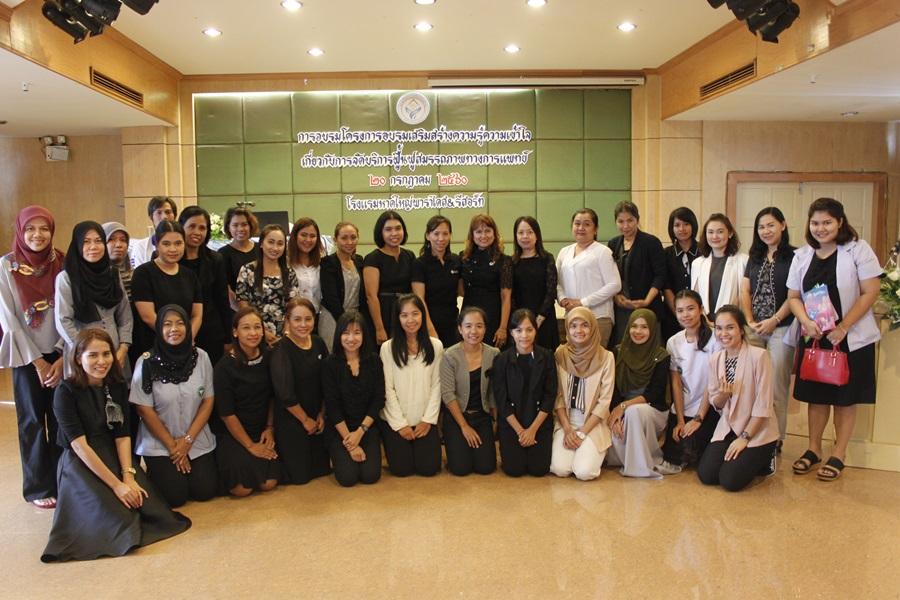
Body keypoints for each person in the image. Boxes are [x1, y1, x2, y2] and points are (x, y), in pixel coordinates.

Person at [41, 328, 190, 562]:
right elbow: (79, 446)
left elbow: (122, 435)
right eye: (93, 355)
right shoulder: (65, 391)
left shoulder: (117, 386)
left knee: (152, 510)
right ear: (78, 358)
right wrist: (116, 486)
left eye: (106, 354)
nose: (101, 361)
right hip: (81, 461)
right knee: (119, 520)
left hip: (112, 453)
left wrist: (128, 476)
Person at [787, 198, 882, 482]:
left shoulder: (858, 249)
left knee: (844, 398)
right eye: (815, 223)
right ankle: (814, 449)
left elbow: (870, 291)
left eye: (827, 222)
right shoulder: (803, 255)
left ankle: (839, 453)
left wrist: (844, 326)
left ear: (840, 222)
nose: (820, 228)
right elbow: (793, 297)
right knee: (816, 397)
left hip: (850, 338)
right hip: (816, 336)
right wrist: (806, 322)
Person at [0, 206, 65, 509]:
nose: (37, 235)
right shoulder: (6, 266)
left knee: (61, 419)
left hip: (60, 354)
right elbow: (8, 318)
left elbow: (70, 311)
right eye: (30, 229)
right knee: (32, 421)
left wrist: (62, 355)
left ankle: (64, 480)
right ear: (20, 231)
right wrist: (38, 361)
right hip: (26, 357)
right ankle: (39, 487)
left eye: (44, 229)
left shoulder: (62, 262)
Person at [129, 305, 217, 507]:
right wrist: (173, 447)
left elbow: (208, 400)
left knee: (205, 490)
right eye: (167, 324)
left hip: (194, 438)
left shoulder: (201, 357)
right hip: (159, 442)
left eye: (179, 323)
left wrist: (187, 441)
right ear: (159, 329)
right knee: (174, 497)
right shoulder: (146, 362)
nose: (174, 329)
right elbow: (144, 410)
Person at [697, 306, 780, 492]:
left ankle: (766, 456)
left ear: (741, 330)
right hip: (729, 427)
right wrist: (723, 395)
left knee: (730, 481)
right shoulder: (716, 359)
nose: (723, 333)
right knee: (707, 475)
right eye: (719, 328)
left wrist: (744, 438)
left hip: (757, 430)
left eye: (730, 327)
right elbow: (716, 403)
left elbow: (763, 405)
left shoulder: (759, 356)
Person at [740, 207, 796, 450]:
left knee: (776, 386)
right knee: (751, 384)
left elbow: (795, 294)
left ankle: (775, 439)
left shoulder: (795, 256)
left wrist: (774, 319)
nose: (766, 231)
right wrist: (749, 320)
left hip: (782, 328)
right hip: (753, 329)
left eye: (771, 225)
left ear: (783, 225)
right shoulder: (754, 257)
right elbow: (745, 290)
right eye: (761, 227)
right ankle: (750, 434)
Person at [213, 307, 280, 496]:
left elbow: (272, 397)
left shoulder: (269, 357)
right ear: (235, 332)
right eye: (246, 328)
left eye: (257, 327)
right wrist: (251, 446)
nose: (253, 333)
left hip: (262, 428)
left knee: (269, 483)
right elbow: (227, 414)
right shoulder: (224, 367)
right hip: (233, 432)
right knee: (242, 489)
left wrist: (269, 428)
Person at [55, 221, 132, 382]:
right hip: (82, 352)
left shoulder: (112, 273)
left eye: (98, 241)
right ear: (77, 245)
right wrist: (83, 351)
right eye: (86, 241)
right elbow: (63, 320)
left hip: (114, 349)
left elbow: (125, 316)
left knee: (115, 393)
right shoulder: (67, 278)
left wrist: (123, 348)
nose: (93, 247)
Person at [379, 294, 443, 477]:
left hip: (424, 420)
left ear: (423, 315)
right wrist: (400, 424)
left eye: (415, 314)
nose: (410, 320)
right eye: (404, 315)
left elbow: (437, 386)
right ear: (397, 318)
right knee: (402, 470)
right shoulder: (387, 348)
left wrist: (428, 420)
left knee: (429, 469)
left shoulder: (436, 346)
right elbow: (387, 389)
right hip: (396, 420)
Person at [657, 290, 720, 474]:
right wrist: (680, 420)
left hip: (710, 405)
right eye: (680, 310)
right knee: (677, 438)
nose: (685, 314)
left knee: (694, 443)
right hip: (684, 406)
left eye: (690, 309)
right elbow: (676, 383)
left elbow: (712, 382)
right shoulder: (673, 342)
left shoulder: (716, 339)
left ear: (701, 309)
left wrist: (699, 418)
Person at [270, 298, 331, 484]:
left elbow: (327, 382)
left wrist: (322, 414)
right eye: (297, 319)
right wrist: (305, 420)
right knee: (300, 477)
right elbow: (285, 394)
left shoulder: (318, 342)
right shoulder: (280, 349)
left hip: (317, 417)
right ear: (287, 320)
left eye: (308, 319)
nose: (303, 325)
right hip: (293, 418)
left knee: (322, 471)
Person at [550, 307, 615, 481]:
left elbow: (604, 402)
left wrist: (582, 433)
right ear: (567, 329)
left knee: (584, 472)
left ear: (593, 327)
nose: (579, 330)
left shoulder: (606, 357)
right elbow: (558, 396)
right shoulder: (560, 354)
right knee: (559, 469)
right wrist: (567, 429)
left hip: (593, 423)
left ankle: (592, 452)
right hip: (566, 421)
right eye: (573, 326)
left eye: (585, 325)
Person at [322, 310, 385, 487]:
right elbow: (332, 406)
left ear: (364, 335)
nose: (351, 338)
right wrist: (351, 443)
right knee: (347, 478)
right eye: (346, 333)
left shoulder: (374, 360)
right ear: (339, 335)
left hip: (366, 427)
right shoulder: (329, 364)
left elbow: (378, 399)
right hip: (340, 429)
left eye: (357, 332)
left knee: (370, 476)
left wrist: (360, 432)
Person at [492, 308, 558, 477]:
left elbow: (550, 396)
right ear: (511, 332)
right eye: (519, 330)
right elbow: (501, 401)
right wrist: (521, 432)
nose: (524, 335)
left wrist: (532, 430)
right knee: (514, 470)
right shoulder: (501, 359)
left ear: (536, 331)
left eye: (529, 330)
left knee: (539, 469)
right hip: (512, 424)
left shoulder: (547, 356)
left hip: (539, 423)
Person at [606, 309, 670, 478]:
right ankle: (632, 460)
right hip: (623, 409)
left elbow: (654, 394)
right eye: (634, 326)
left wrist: (623, 407)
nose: (638, 331)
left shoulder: (661, 356)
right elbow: (613, 389)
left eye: (644, 327)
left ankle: (639, 468)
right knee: (619, 423)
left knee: (634, 412)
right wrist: (616, 414)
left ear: (653, 329)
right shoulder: (618, 352)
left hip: (653, 410)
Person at [440, 306, 499, 476]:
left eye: (479, 326)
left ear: (485, 329)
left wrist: (495, 421)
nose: (474, 331)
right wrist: (464, 426)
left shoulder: (494, 354)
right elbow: (448, 394)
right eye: (468, 326)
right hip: (457, 418)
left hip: (482, 416)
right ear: (460, 329)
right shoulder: (449, 355)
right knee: (460, 469)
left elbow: (494, 391)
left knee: (486, 468)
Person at [131, 220, 203, 357]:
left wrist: (187, 337)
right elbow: (147, 316)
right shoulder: (143, 273)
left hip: (184, 344)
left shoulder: (190, 275)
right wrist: (173, 337)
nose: (173, 249)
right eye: (166, 244)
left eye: (178, 243)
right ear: (157, 244)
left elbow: (197, 315)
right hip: (152, 344)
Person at [557, 208, 621, 347]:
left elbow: (615, 284)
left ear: (595, 229)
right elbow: (556, 282)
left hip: (598, 316)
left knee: (595, 358)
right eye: (577, 223)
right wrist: (562, 299)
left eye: (586, 224)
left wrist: (583, 302)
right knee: (574, 358)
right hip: (572, 317)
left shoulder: (603, 252)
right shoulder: (564, 252)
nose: (581, 228)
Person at [607, 201, 667, 345]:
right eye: (621, 221)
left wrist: (646, 301)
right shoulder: (613, 244)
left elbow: (660, 275)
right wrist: (616, 296)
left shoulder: (651, 242)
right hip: (621, 308)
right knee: (623, 346)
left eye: (630, 220)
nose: (625, 226)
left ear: (637, 220)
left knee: (648, 347)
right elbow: (609, 276)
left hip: (647, 306)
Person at [179, 206, 231, 366]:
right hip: (178, 330)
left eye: (202, 228)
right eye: (192, 226)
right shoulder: (170, 260)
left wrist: (228, 338)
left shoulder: (215, 260)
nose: (197, 232)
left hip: (211, 331)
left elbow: (222, 301)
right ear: (181, 227)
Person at [235, 224, 299, 345]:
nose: (275, 248)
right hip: (254, 333)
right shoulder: (247, 270)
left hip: (283, 334)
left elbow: (293, 306)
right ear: (261, 244)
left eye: (280, 244)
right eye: (271, 242)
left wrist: (286, 332)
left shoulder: (289, 273)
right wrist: (262, 332)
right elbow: (243, 305)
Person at [460, 213, 513, 348]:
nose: (483, 235)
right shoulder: (464, 258)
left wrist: (502, 328)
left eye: (488, 231)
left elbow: (506, 297)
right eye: (478, 232)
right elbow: (460, 290)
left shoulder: (504, 260)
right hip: (468, 316)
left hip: (493, 317)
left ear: (494, 233)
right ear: (472, 235)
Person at [363, 210, 415, 345]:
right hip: (383, 314)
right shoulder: (373, 258)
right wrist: (379, 328)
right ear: (380, 232)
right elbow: (371, 296)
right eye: (388, 229)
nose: (394, 233)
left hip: (405, 312)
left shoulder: (409, 255)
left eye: (398, 228)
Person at [412, 215, 461, 348]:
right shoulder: (419, 264)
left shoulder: (456, 261)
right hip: (429, 322)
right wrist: (430, 329)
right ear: (428, 236)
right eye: (436, 233)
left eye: (445, 234)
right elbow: (419, 299)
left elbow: (461, 291)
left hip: (453, 322)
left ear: (450, 235)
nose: (441, 238)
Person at [511, 216, 559, 351]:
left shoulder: (547, 258)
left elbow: (551, 291)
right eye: (521, 233)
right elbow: (510, 294)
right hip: (520, 324)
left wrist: (539, 319)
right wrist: (521, 321)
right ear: (516, 236)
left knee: (545, 357)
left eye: (530, 232)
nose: (525, 236)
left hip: (545, 319)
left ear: (537, 235)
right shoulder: (511, 262)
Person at [320, 221, 369, 352]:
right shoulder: (327, 263)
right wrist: (345, 323)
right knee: (334, 354)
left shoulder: (359, 261)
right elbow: (330, 298)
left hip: (356, 318)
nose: (349, 242)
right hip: (333, 318)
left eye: (353, 237)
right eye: (344, 238)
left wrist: (357, 321)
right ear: (335, 240)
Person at [691, 213, 748, 319]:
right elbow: (695, 297)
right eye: (710, 232)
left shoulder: (743, 261)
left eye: (720, 232)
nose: (715, 236)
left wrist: (724, 319)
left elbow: (743, 295)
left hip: (732, 319)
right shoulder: (697, 263)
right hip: (704, 321)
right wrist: (705, 320)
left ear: (730, 233)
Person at [662, 207, 700, 341]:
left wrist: (696, 313)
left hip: (700, 315)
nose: (682, 229)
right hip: (672, 316)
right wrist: (679, 314)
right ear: (671, 228)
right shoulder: (666, 254)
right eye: (677, 225)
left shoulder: (704, 251)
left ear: (693, 225)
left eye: (686, 224)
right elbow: (666, 287)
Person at [217, 206, 259, 305]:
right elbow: (226, 289)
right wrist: (243, 310)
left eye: (244, 224)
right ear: (228, 227)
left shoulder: (261, 249)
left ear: (250, 226)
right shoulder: (223, 254)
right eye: (235, 225)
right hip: (237, 308)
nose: (240, 229)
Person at [288, 217, 325, 313]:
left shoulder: (322, 263)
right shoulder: (286, 264)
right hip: (293, 316)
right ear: (295, 236)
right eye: (303, 235)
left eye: (312, 236)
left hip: (317, 316)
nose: (308, 240)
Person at [130, 196, 177, 267]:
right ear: (151, 217)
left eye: (168, 212)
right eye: (159, 213)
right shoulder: (141, 247)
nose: (164, 217)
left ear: (174, 216)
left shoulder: (182, 244)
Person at [102, 221, 134, 299]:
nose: (118, 245)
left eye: (123, 240)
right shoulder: (95, 276)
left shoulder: (136, 275)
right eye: (111, 239)